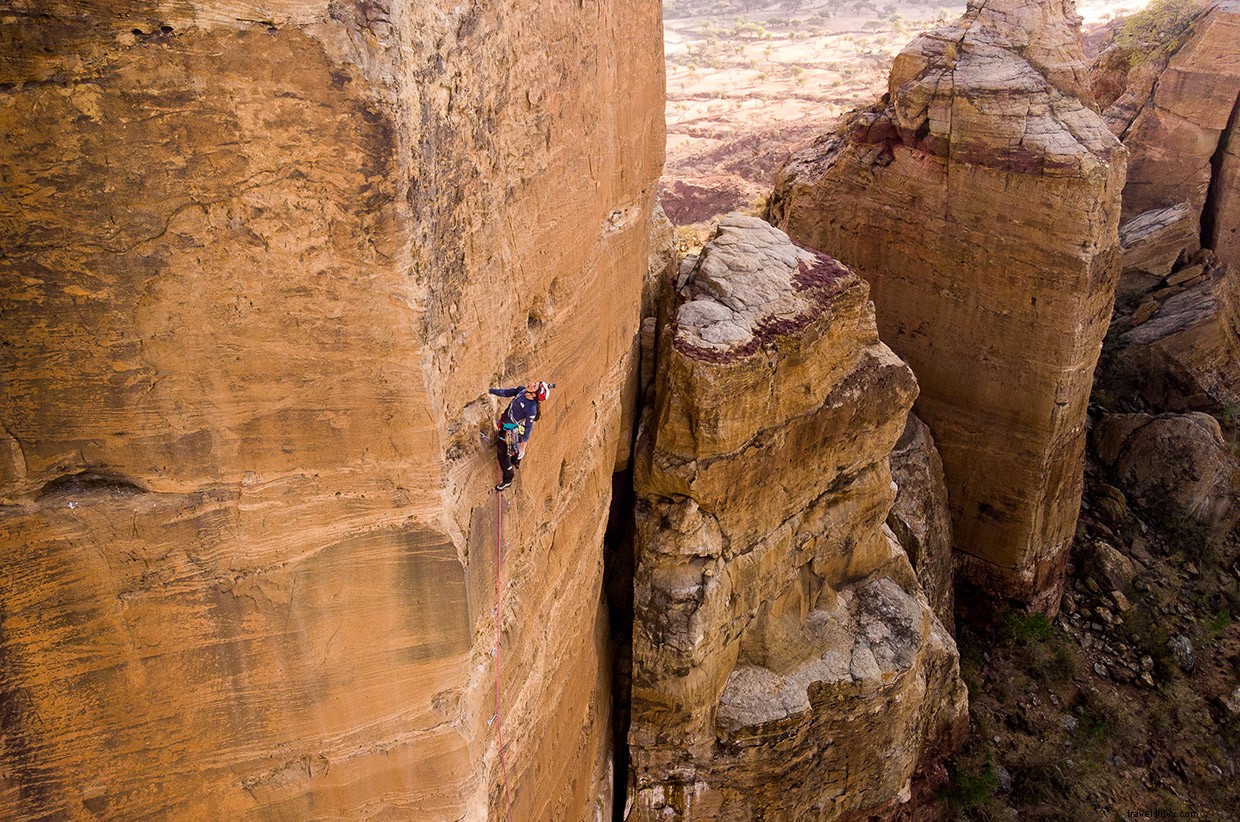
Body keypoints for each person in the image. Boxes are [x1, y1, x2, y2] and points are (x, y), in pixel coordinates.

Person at [489, 381, 551, 491]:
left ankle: (508, 479)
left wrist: (524, 446)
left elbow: (528, 428)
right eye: (534, 383)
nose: (531, 384)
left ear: (534, 394)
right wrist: (491, 391)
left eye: (534, 386)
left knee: (503, 455)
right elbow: (506, 392)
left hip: (510, 430)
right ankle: (516, 460)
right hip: (507, 425)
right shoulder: (522, 390)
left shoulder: (531, 408)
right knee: (514, 448)